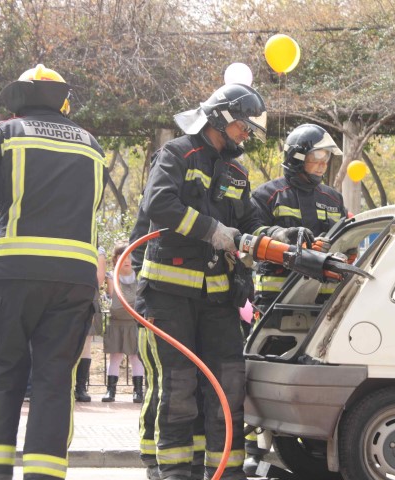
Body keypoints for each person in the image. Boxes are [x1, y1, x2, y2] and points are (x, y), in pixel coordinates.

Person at [0, 64, 107, 480]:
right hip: (74, 278)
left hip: (16, 272)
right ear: (62, 100)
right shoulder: (91, 144)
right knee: (55, 382)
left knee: (2, 373)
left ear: (19, 101)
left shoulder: (6, 132)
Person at [139, 83, 299, 480]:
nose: (246, 135)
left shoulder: (236, 171)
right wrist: (212, 231)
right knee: (178, 387)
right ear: (222, 117)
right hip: (170, 294)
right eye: (244, 127)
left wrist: (271, 235)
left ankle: (225, 473)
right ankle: (177, 473)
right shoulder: (177, 154)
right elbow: (158, 204)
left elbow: (246, 221)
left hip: (220, 298)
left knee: (228, 385)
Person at [250, 123, 347, 311]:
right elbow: (251, 235)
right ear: (297, 158)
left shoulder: (334, 199)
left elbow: (348, 244)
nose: (322, 165)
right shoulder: (267, 195)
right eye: (317, 157)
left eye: (326, 158)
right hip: (277, 301)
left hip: (326, 302)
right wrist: (281, 235)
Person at [102, 242, 144, 403]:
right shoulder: (111, 276)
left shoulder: (139, 276)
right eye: (122, 256)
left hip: (134, 322)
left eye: (129, 256)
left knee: (136, 357)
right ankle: (110, 391)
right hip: (117, 323)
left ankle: (138, 391)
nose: (126, 260)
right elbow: (112, 297)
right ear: (116, 259)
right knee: (115, 357)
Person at [74, 245, 107, 403]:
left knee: (85, 345)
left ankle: (81, 387)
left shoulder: (98, 251)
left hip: (87, 298)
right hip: (67, 296)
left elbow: (99, 280)